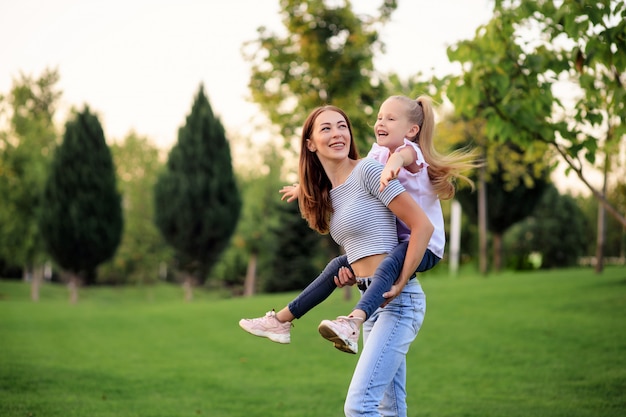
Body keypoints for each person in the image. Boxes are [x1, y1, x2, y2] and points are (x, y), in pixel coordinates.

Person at [240, 95, 476, 354]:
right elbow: (355, 180)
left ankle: (352, 321)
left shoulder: (407, 152)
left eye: (342, 126)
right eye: (379, 117)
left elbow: (403, 163)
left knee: (365, 396)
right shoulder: (374, 157)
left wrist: (401, 281)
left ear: (411, 130)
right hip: (377, 287)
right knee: (336, 266)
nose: (381, 123)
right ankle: (281, 320)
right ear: (310, 144)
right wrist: (304, 186)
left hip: (423, 250)